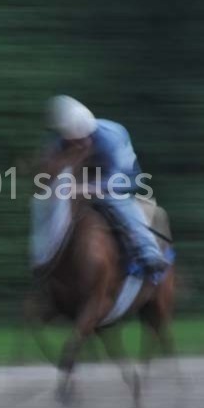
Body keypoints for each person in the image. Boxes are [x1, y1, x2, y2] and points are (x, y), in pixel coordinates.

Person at [45, 95, 170, 281]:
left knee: (117, 202)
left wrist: (81, 188)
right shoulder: (62, 139)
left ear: (89, 132)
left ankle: (150, 254)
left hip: (121, 179)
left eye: (80, 141)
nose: (76, 145)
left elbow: (115, 180)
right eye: (71, 142)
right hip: (85, 178)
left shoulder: (112, 137)